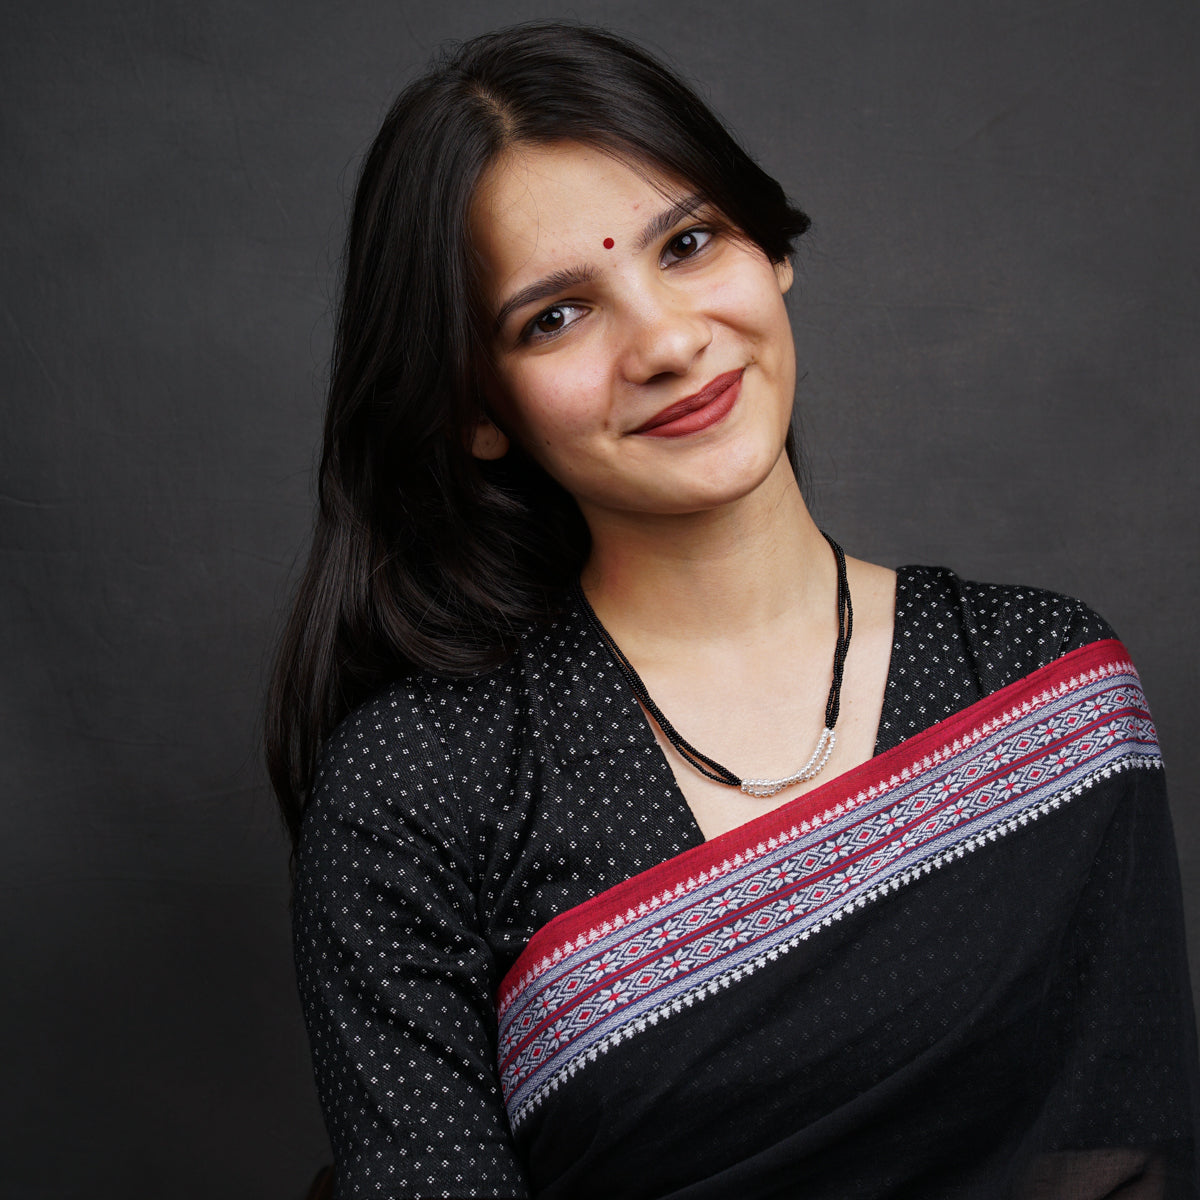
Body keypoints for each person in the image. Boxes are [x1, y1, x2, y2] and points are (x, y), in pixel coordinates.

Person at [267, 22, 1199, 1200]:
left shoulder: (1043, 690)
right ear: (477, 408)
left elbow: (1115, 1162)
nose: (664, 340)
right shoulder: (419, 789)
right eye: (555, 315)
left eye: (690, 242)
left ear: (772, 251)